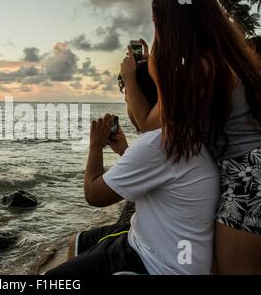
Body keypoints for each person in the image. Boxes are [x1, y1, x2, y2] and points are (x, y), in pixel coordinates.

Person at [120, 0, 261, 274]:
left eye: (158, 22)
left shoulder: (200, 70)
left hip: (246, 180)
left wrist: (133, 78)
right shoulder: (227, 59)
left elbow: (149, 125)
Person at [45, 61, 220, 275]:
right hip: (162, 245)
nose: (128, 108)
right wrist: (124, 151)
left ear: (141, 100)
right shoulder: (182, 134)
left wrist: (95, 146)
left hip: (159, 264)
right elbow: (161, 175)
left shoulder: (156, 143)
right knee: (78, 242)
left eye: (127, 100)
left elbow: (94, 195)